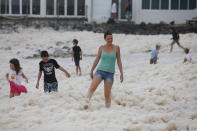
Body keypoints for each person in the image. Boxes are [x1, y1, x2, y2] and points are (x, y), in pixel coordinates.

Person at [86, 31, 123, 108]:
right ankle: (85, 104)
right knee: (92, 88)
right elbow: (97, 59)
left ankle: (107, 111)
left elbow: (119, 61)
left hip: (110, 74)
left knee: (107, 95)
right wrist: (92, 70)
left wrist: (121, 73)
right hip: (100, 71)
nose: (110, 40)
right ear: (105, 39)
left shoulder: (117, 48)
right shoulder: (101, 48)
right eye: (108, 38)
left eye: (111, 38)